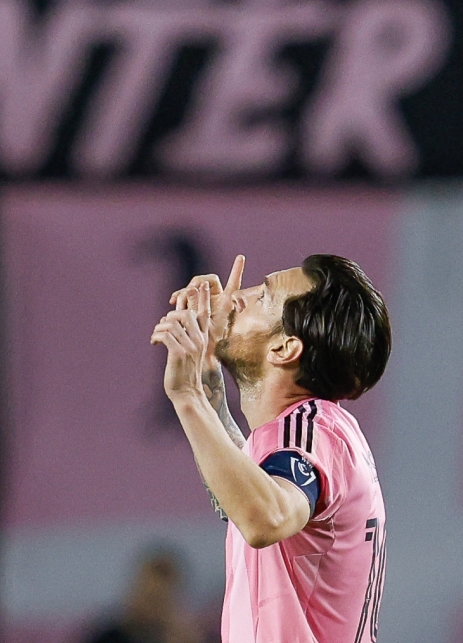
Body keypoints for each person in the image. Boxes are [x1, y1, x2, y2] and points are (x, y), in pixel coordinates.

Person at [150, 254, 391, 643]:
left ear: (284, 348)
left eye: (262, 295)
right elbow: (242, 502)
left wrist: (189, 395)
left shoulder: (311, 430)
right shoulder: (314, 431)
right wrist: (205, 373)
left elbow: (266, 518)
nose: (237, 297)